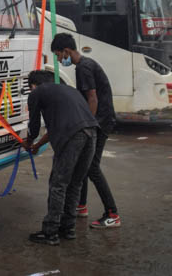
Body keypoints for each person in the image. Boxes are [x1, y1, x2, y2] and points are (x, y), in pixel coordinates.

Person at [50, 33, 121, 229]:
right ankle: (81, 206)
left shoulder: (84, 68)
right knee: (83, 163)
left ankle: (112, 213)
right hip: (100, 120)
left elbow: (92, 98)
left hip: (100, 122)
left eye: (58, 55)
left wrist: (86, 126)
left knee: (92, 168)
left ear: (66, 51)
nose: (58, 59)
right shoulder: (85, 65)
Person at [24, 70, 98, 245]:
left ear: (33, 85)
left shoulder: (37, 93)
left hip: (73, 137)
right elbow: (58, 128)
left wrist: (28, 142)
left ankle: (50, 232)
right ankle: (68, 228)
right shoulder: (67, 90)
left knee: (58, 184)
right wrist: (36, 145)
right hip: (92, 133)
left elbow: (34, 126)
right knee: (75, 183)